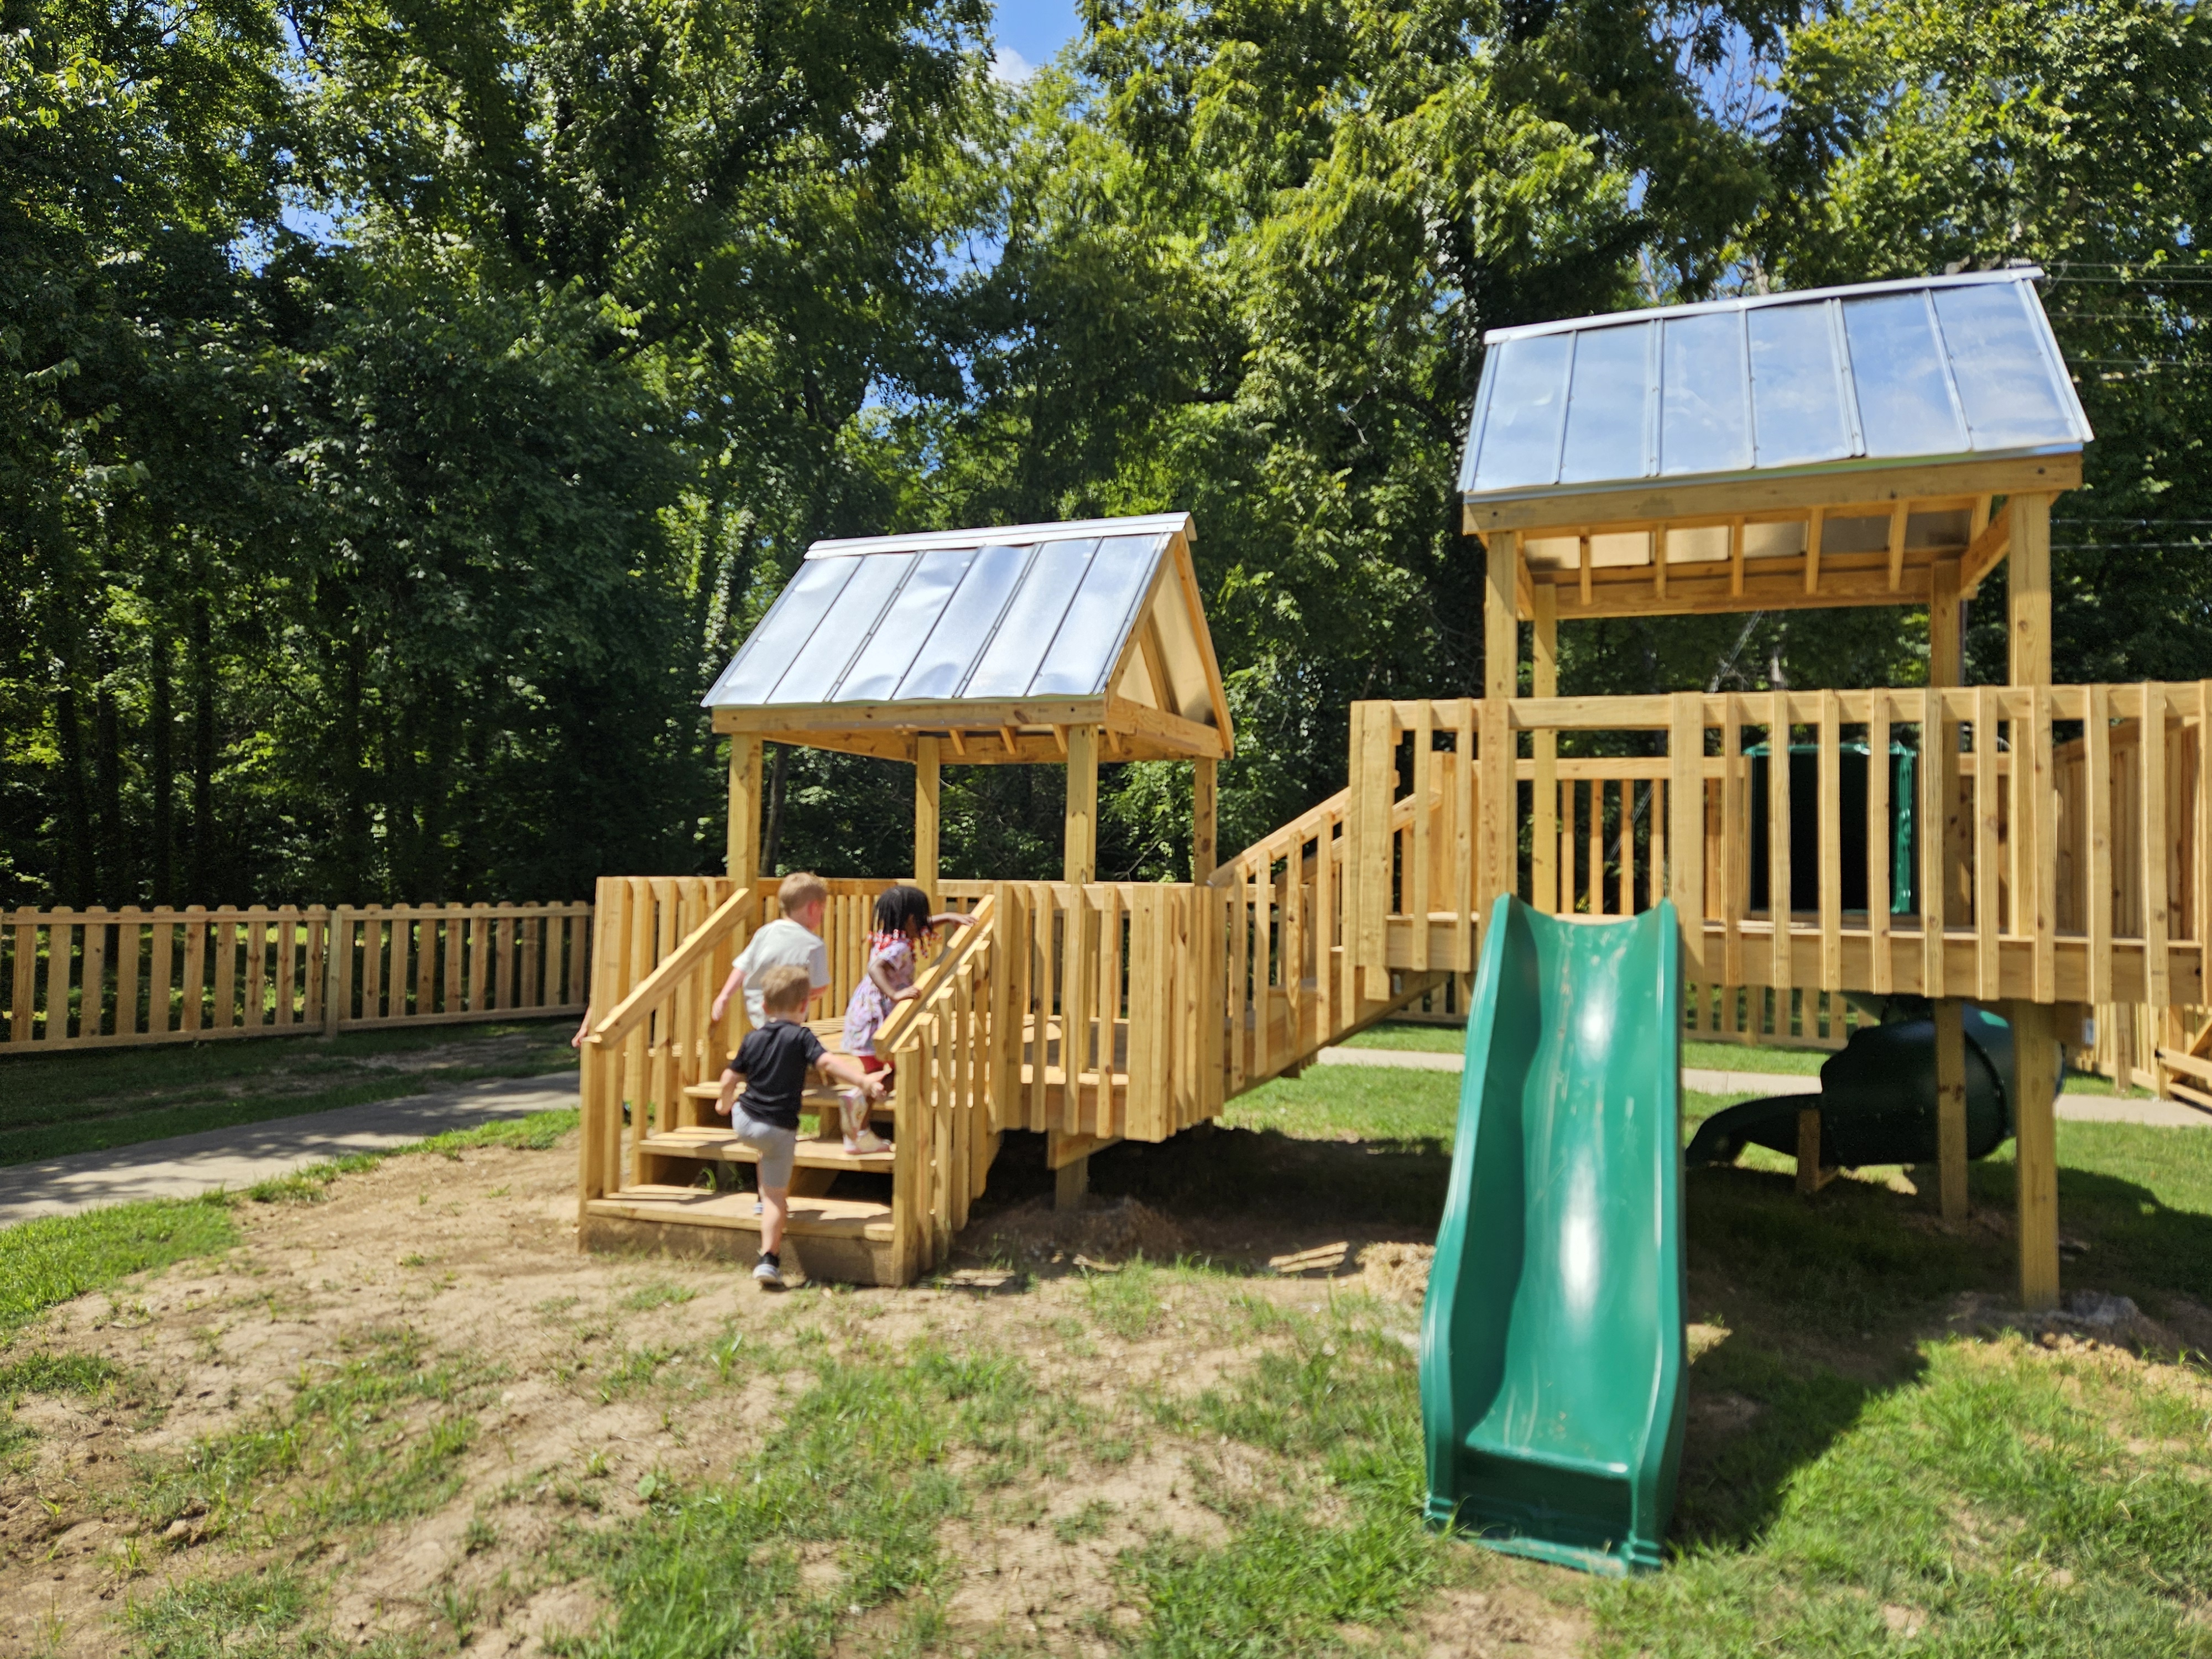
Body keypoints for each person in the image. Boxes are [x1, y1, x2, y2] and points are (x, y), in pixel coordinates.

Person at [716, 963, 884, 1287]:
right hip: (779, 1129)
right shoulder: (802, 1037)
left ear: (764, 1007)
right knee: (777, 1199)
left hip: (746, 1121)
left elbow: (728, 1079)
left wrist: (725, 1104)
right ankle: (769, 1259)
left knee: (762, 1150)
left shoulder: (752, 1039)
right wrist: (863, 1081)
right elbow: (829, 1063)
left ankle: (761, 1197)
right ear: (805, 1006)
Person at [838, 885, 974, 1151]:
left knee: (875, 1075)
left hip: (862, 1018)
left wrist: (948, 917)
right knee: (902, 1069)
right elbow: (875, 968)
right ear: (911, 920)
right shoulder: (899, 947)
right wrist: (895, 994)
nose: (925, 925)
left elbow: (919, 929)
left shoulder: (887, 937)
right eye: (922, 919)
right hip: (879, 1021)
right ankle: (857, 1099)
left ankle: (857, 1135)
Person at [711, 871, 832, 1031]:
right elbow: (820, 987)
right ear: (813, 908)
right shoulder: (814, 944)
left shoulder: (765, 932)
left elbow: (742, 967)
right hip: (790, 1014)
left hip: (758, 1010)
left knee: (766, 1039)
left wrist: (724, 996)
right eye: (822, 912)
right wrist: (810, 993)